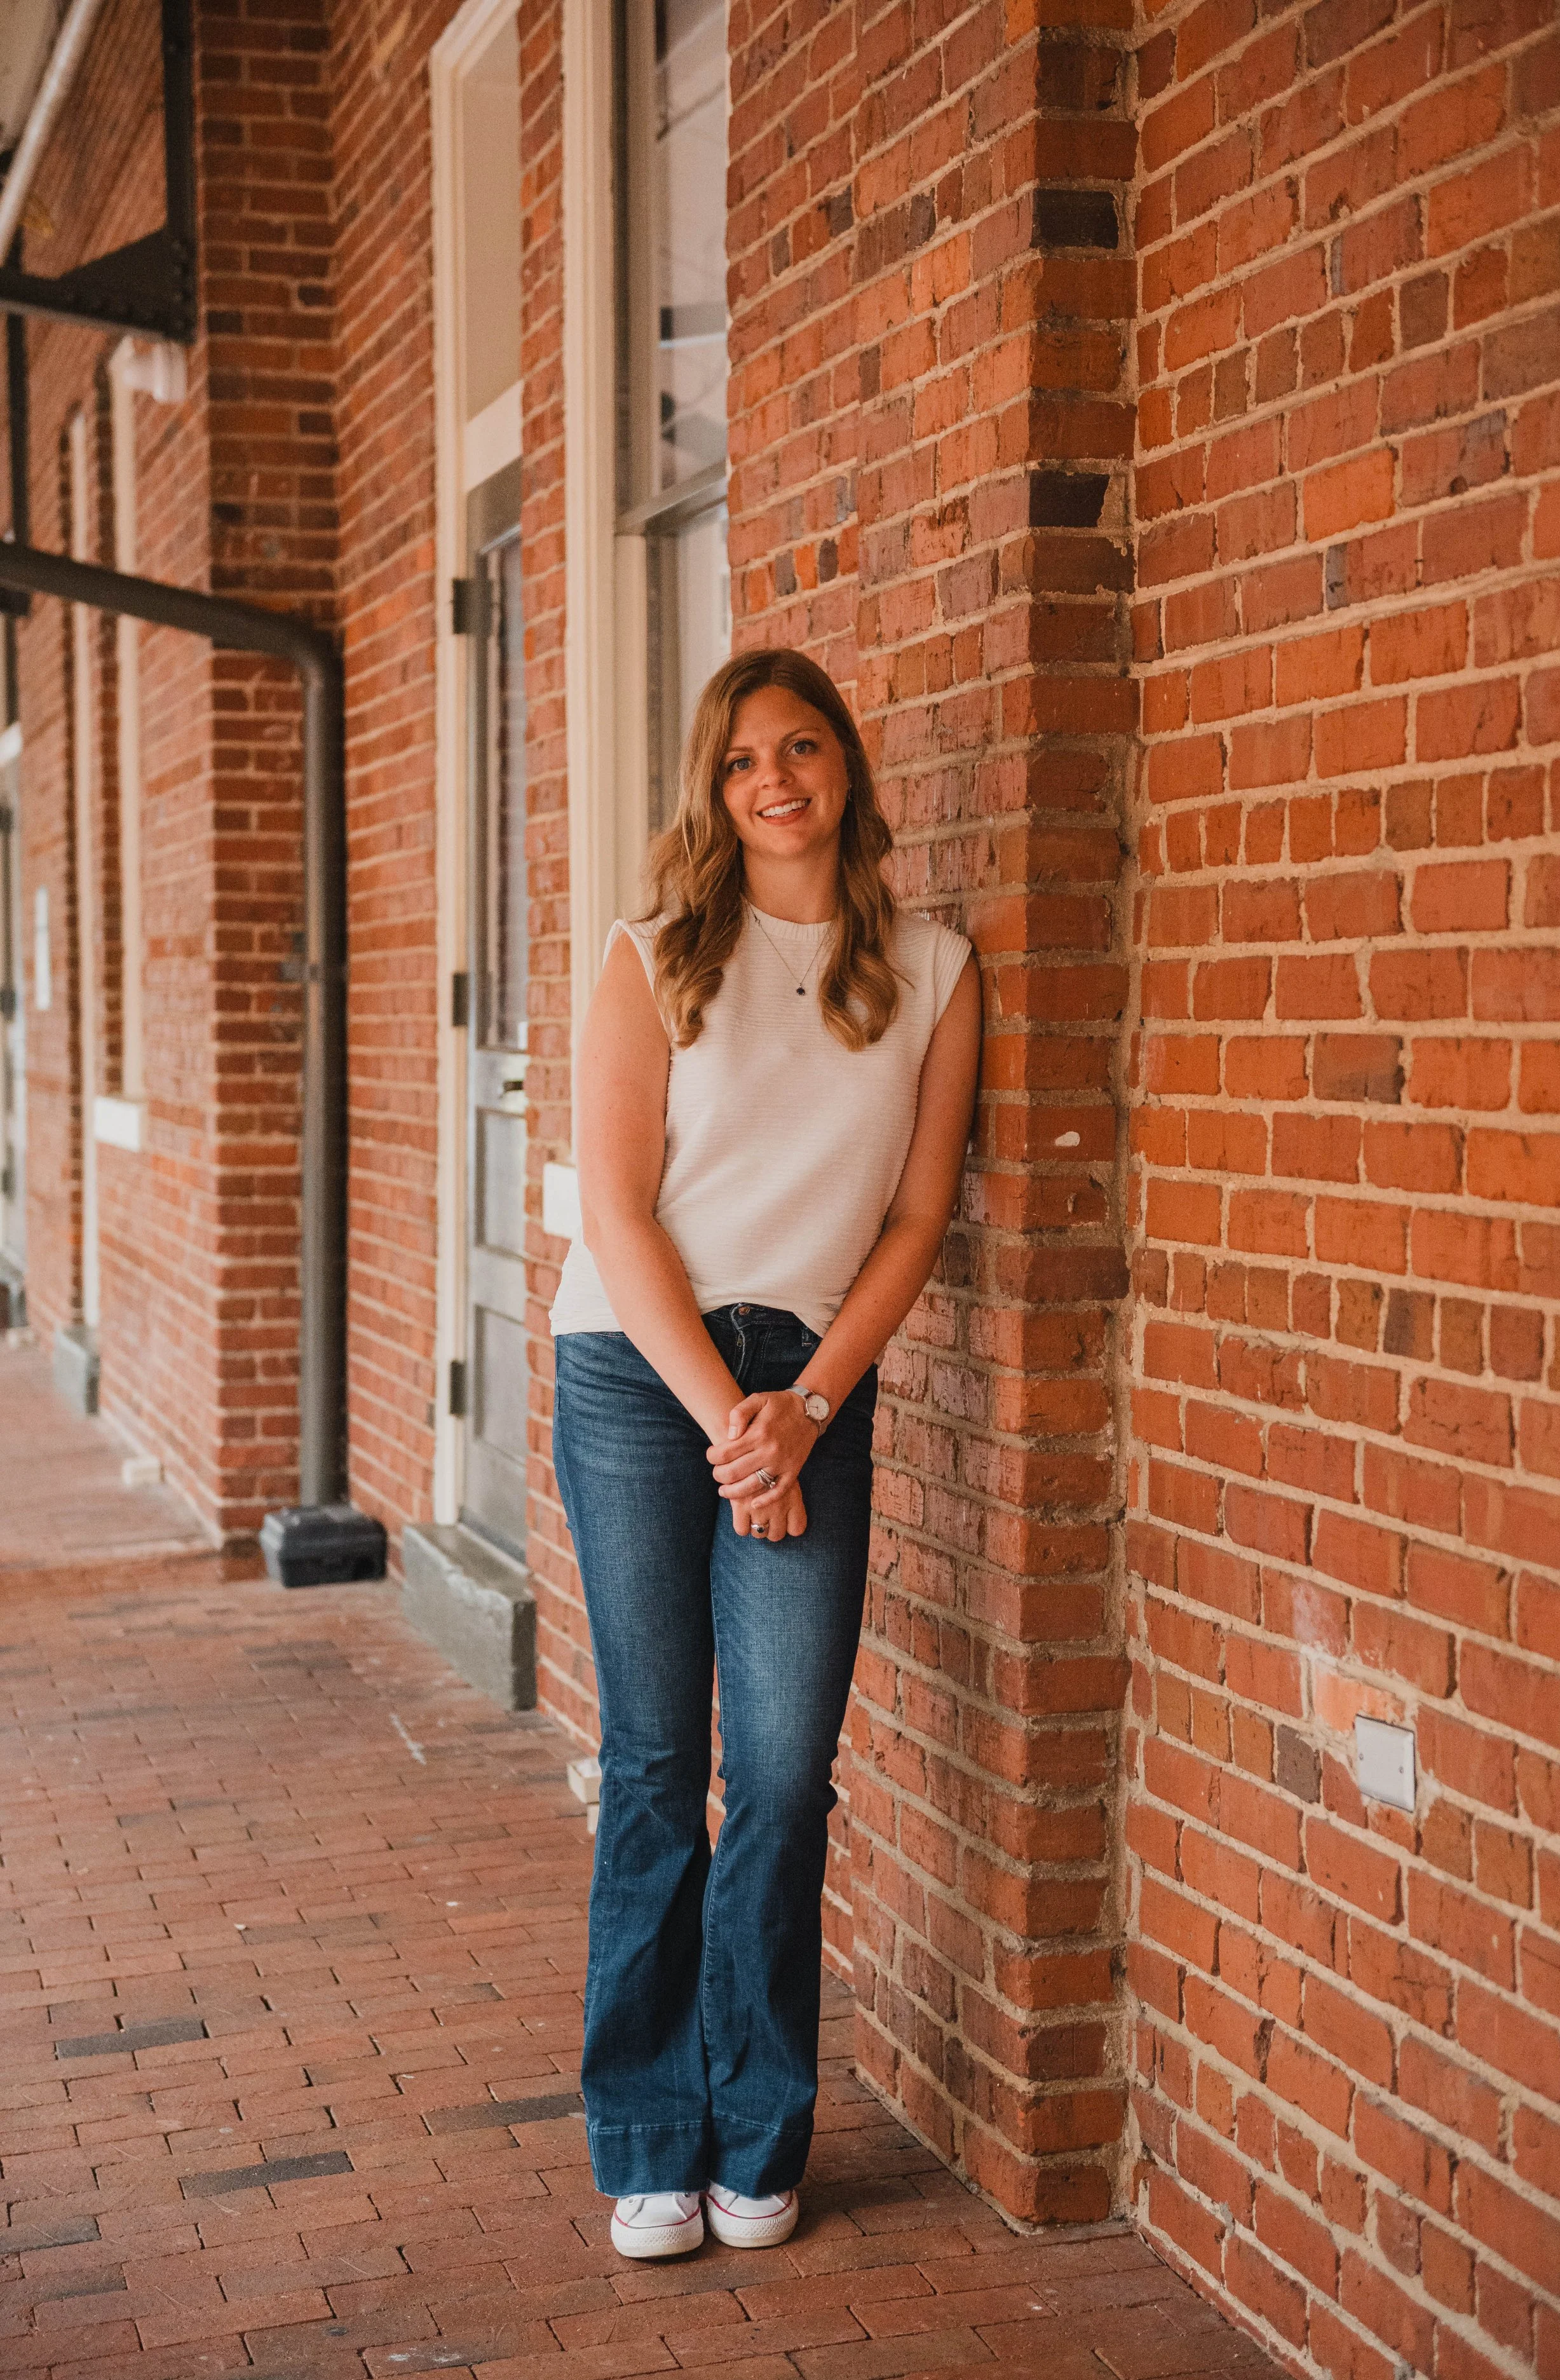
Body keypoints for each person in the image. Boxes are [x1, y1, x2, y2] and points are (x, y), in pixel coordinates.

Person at [550, 646, 981, 2261]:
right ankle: (650, 2135)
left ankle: (761, 2129)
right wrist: (736, 1424)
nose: (772, 781)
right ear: (710, 792)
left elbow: (920, 1212)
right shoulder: (652, 954)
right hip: (636, 1366)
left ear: (846, 770)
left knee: (784, 1775)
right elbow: (613, 1205)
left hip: (813, 1374)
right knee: (661, 1764)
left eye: (800, 750)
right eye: (739, 763)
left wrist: (802, 1407)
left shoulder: (934, 973)